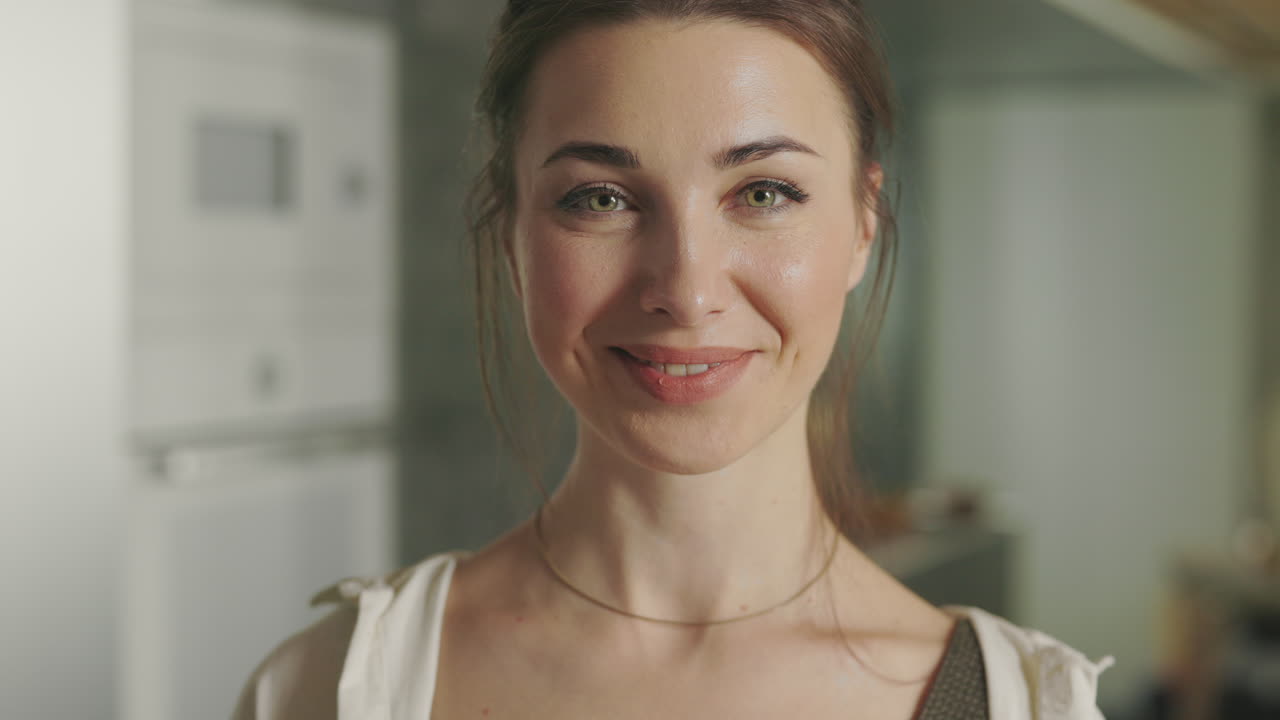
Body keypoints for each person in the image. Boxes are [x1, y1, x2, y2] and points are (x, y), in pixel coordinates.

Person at [233, 1, 1115, 718]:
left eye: (763, 192)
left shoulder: (1018, 705)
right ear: (512, 237)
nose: (686, 291)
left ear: (863, 227)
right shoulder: (335, 690)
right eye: (601, 198)